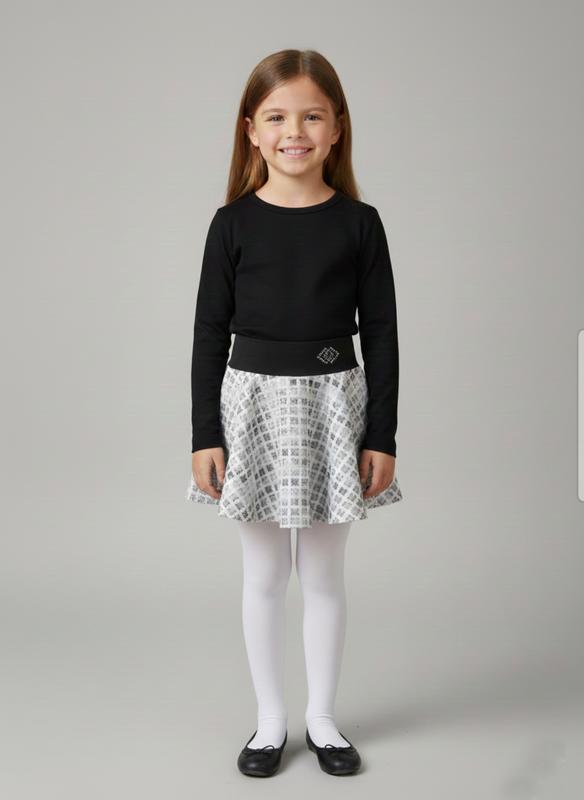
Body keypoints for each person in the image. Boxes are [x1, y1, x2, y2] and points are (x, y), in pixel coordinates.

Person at [186, 48, 403, 777]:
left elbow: (381, 334)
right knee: (263, 575)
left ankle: (323, 721)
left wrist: (381, 435)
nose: (295, 132)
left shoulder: (360, 224)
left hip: (334, 407)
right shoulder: (231, 224)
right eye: (277, 117)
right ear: (251, 131)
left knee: (324, 575)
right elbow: (209, 332)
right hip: (249, 410)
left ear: (337, 128)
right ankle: (270, 722)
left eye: (312, 116)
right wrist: (205, 435)